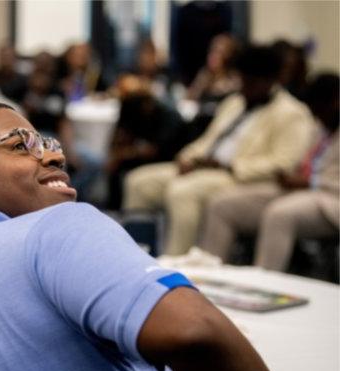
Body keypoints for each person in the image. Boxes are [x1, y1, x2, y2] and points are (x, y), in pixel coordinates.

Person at [0, 101, 279, 371]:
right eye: (21, 145)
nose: (54, 155)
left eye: (46, 142)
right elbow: (195, 331)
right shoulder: (57, 227)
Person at [123, 45, 314, 255]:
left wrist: (228, 166)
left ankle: (176, 268)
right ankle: (135, 256)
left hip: (240, 177)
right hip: (204, 167)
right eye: (242, 80)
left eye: (250, 83)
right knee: (138, 182)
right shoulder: (235, 102)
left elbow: (284, 163)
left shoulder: (292, 113)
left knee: (183, 192)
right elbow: (208, 140)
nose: (244, 88)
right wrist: (188, 158)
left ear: (270, 81)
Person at [200, 73, 339, 271]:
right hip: (301, 190)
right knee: (222, 204)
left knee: (279, 215)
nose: (318, 116)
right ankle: (208, 275)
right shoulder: (319, 127)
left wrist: (310, 182)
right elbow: (299, 160)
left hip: (331, 198)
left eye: (323, 108)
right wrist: (290, 175)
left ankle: (264, 282)